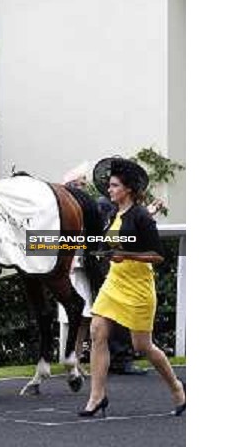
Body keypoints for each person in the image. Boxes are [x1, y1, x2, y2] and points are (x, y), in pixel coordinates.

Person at [79, 157, 186, 417]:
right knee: (97, 331)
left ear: (128, 189)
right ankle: (97, 396)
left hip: (138, 285)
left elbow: (158, 255)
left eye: (114, 185)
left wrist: (127, 255)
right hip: (114, 281)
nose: (110, 189)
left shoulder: (140, 216)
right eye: (110, 185)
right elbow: (111, 246)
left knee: (143, 347)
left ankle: (176, 388)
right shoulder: (114, 214)